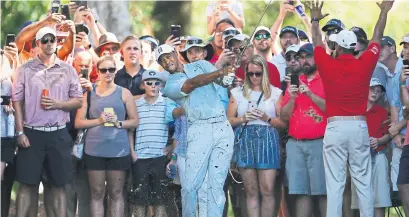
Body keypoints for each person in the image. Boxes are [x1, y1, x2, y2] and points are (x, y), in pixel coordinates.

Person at [308, 1, 393, 217]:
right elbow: (377, 35)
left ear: (336, 46)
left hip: (335, 126)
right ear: (354, 46)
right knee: (362, 180)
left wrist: (315, 20)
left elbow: (317, 42)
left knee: (335, 183)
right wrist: (384, 11)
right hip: (358, 126)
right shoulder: (364, 63)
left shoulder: (327, 63)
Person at [12, 26, 83, 217]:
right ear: (37, 44)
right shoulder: (25, 69)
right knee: (27, 184)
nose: (50, 43)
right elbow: (17, 102)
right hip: (31, 132)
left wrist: (58, 103)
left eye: (53, 40)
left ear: (57, 43)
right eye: (45, 40)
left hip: (58, 133)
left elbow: (78, 100)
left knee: (58, 185)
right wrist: (20, 131)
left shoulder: (68, 70)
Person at [157, 44, 234, 217]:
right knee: (190, 185)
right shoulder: (170, 85)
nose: (166, 61)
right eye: (162, 60)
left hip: (222, 125)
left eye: (168, 56)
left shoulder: (202, 65)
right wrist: (219, 72)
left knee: (216, 184)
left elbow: (222, 82)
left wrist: (227, 74)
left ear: (176, 54)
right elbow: (192, 83)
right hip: (199, 129)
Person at [74, 55, 139, 217]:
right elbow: (78, 123)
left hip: (119, 150)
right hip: (94, 150)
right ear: (98, 71)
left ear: (116, 71)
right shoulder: (89, 93)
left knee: (116, 193)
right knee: (96, 193)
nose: (107, 73)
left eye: (111, 69)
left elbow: (135, 121)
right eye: (104, 70)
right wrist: (99, 120)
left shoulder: (124, 93)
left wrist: (119, 123)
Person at [227, 55, 285, 217]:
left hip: (267, 138)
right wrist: (243, 118)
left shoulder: (275, 93)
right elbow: (228, 120)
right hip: (245, 139)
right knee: (251, 191)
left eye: (258, 73)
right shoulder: (237, 92)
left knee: (267, 190)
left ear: (264, 73)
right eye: (250, 73)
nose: (254, 77)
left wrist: (266, 117)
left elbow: (284, 123)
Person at [281, 43, 327, 217]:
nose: (304, 60)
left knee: (323, 192)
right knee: (300, 193)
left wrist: (309, 94)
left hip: (320, 142)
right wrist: (292, 98)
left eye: (308, 56)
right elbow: (284, 116)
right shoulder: (295, 81)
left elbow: (331, 109)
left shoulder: (325, 79)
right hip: (295, 143)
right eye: (301, 57)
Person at [131, 69, 178, 217]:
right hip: (140, 157)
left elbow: (179, 128)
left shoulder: (167, 103)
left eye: (156, 83)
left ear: (161, 85)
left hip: (159, 157)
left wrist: (172, 147)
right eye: (149, 83)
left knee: (160, 199)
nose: (153, 86)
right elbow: (130, 130)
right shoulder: (136, 104)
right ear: (142, 85)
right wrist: (132, 152)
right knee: (140, 199)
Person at [351, 78, 391, 217]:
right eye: (373, 88)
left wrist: (379, 141)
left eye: (379, 91)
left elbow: (388, 135)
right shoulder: (354, 110)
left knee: (380, 199)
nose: (375, 92)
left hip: (378, 156)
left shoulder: (382, 112)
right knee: (358, 200)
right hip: (358, 158)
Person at [65, 48, 93, 217]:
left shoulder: (97, 88)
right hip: (67, 143)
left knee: (85, 192)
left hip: (90, 145)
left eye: (86, 65)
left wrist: (92, 91)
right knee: (67, 190)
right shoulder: (63, 85)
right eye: (79, 65)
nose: (82, 69)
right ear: (72, 64)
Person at [397, 33, 409, 216]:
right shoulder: (405, 75)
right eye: (405, 47)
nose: (405, 51)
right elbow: (406, 106)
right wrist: (401, 83)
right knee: (403, 184)